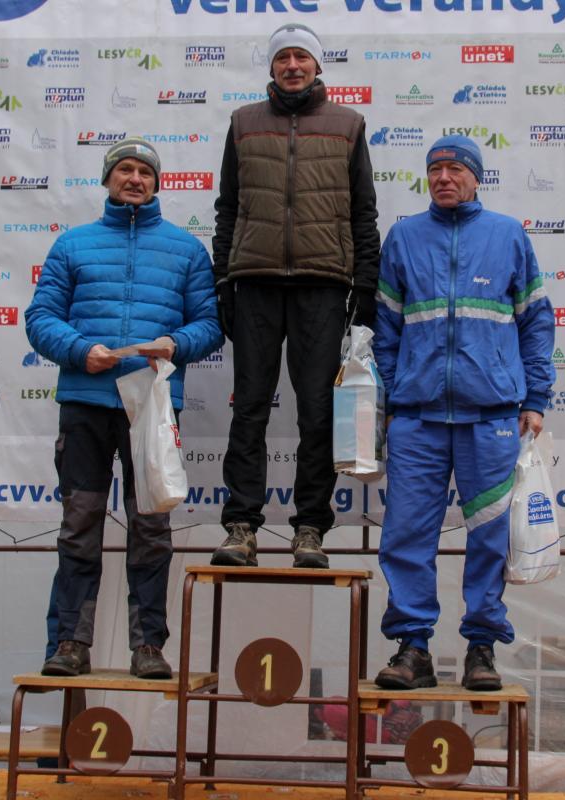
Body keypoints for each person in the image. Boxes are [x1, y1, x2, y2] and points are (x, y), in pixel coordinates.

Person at [25, 137, 223, 679]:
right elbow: (40, 318)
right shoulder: (73, 244)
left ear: (157, 184)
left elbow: (209, 325)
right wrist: (78, 350)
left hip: (152, 410)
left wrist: (176, 344)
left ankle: (148, 647)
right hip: (85, 405)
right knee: (79, 525)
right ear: (108, 179)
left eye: (144, 172)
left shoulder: (187, 250)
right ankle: (70, 644)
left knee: (152, 528)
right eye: (125, 170)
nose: (135, 179)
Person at [373, 134, 555, 691]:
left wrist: (536, 398)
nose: (444, 178)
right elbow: (387, 330)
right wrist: (389, 400)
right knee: (406, 535)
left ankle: (482, 648)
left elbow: (535, 321)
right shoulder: (404, 237)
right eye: (436, 170)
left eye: (456, 169)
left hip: (492, 415)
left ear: (476, 177)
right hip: (417, 417)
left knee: (490, 536)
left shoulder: (507, 235)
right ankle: (413, 648)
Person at [210, 23, 380, 569]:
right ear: (271, 66)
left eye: (301, 57)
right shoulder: (243, 123)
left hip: (323, 285)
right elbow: (228, 208)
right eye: (282, 57)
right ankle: (241, 527)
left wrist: (366, 286)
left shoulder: (348, 125)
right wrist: (223, 280)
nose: (292, 65)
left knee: (317, 413)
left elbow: (363, 213)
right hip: (255, 282)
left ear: (317, 65)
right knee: (249, 411)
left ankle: (310, 529)